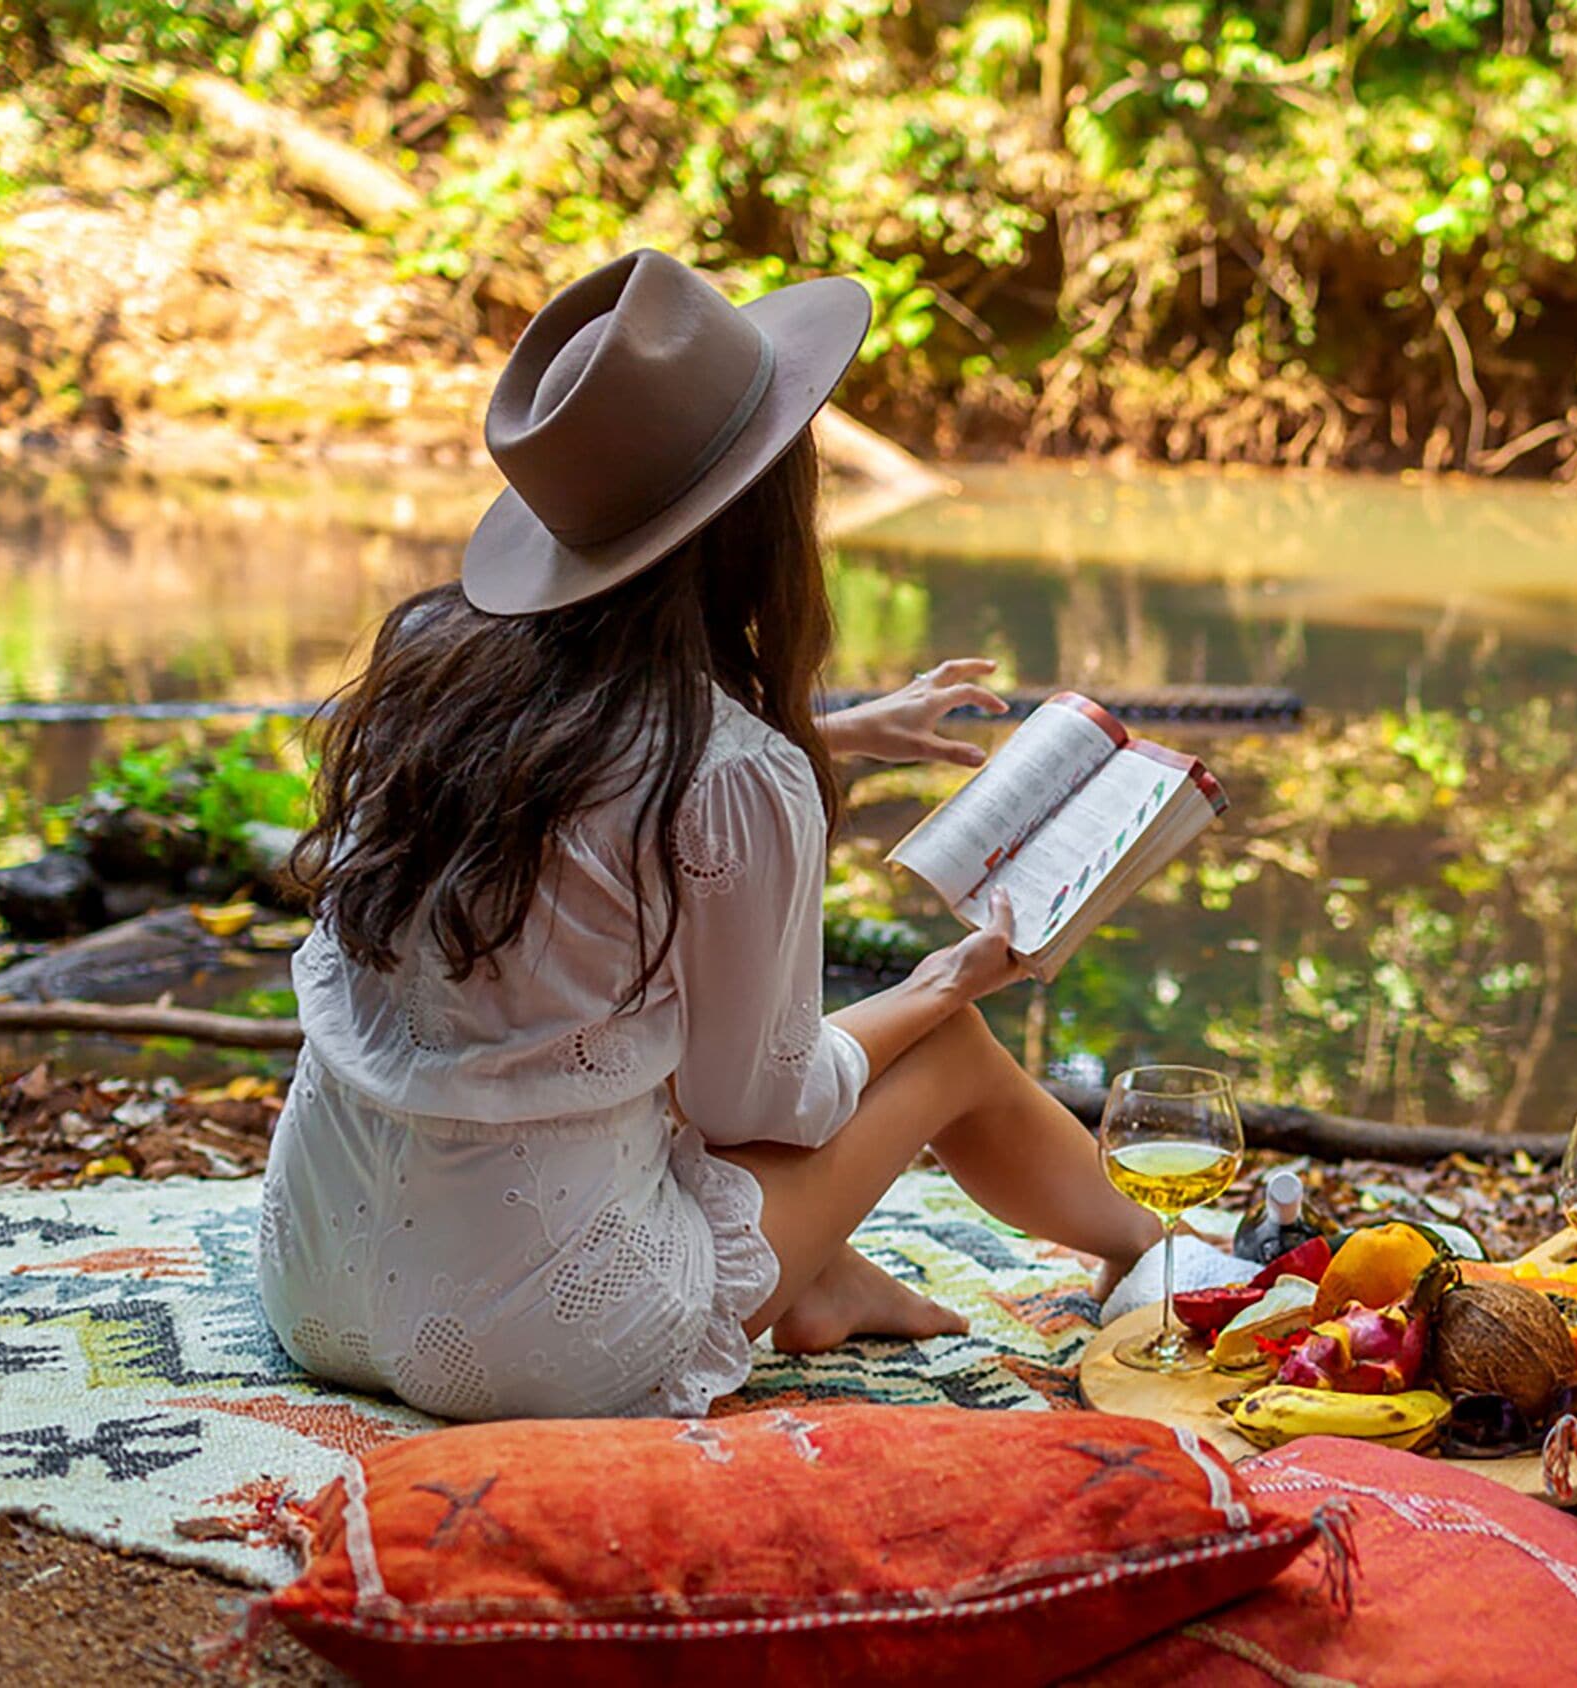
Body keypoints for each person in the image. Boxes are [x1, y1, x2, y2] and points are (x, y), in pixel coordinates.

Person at [255, 250, 1162, 1421]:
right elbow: (759, 1106)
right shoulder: (732, 767)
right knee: (945, 1049)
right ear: (759, 521)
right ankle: (1159, 1258)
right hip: (538, 1345)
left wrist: (838, 731)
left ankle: (821, 1274)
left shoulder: (432, 669)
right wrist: (944, 983)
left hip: (315, 1283)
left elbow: (586, 803)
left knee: (625, 1037)